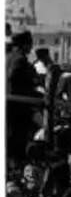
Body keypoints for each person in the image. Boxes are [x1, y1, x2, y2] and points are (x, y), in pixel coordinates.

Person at [7, 29, 39, 166]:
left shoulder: (8, 56)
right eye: (30, 44)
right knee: (17, 141)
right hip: (18, 107)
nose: (31, 48)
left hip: (12, 105)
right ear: (24, 44)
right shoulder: (19, 59)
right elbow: (13, 77)